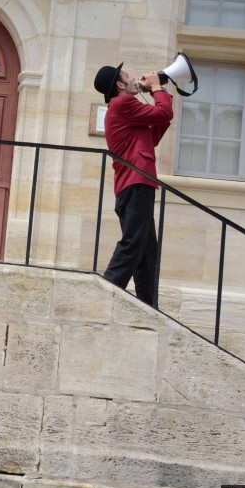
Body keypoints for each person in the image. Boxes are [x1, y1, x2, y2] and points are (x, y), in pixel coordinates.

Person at [93, 62, 174, 308]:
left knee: (147, 250)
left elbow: (154, 135)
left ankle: (148, 306)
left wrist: (158, 94)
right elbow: (163, 114)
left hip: (136, 183)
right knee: (133, 243)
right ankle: (104, 294)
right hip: (135, 182)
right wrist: (157, 89)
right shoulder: (122, 103)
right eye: (128, 77)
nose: (133, 79)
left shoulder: (125, 108)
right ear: (119, 84)